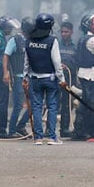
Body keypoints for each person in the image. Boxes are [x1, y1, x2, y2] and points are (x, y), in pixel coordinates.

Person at [22, 13, 67, 145]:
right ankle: (52, 137)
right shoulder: (52, 40)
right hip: (50, 79)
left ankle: (38, 137)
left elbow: (26, 62)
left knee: (37, 107)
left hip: (35, 78)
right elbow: (57, 63)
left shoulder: (29, 41)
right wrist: (62, 79)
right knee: (52, 107)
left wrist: (25, 77)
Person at [3, 17, 32, 138]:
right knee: (19, 105)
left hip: (31, 77)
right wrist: (5, 72)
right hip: (19, 77)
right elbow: (6, 56)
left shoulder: (33, 40)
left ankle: (21, 125)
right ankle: (12, 131)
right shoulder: (15, 40)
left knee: (36, 103)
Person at [58, 21, 77, 137]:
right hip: (56, 78)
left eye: (66, 32)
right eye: (62, 32)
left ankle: (64, 129)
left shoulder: (75, 47)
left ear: (71, 32)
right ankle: (47, 129)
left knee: (67, 104)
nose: (64, 34)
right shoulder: (56, 45)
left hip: (70, 79)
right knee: (52, 104)